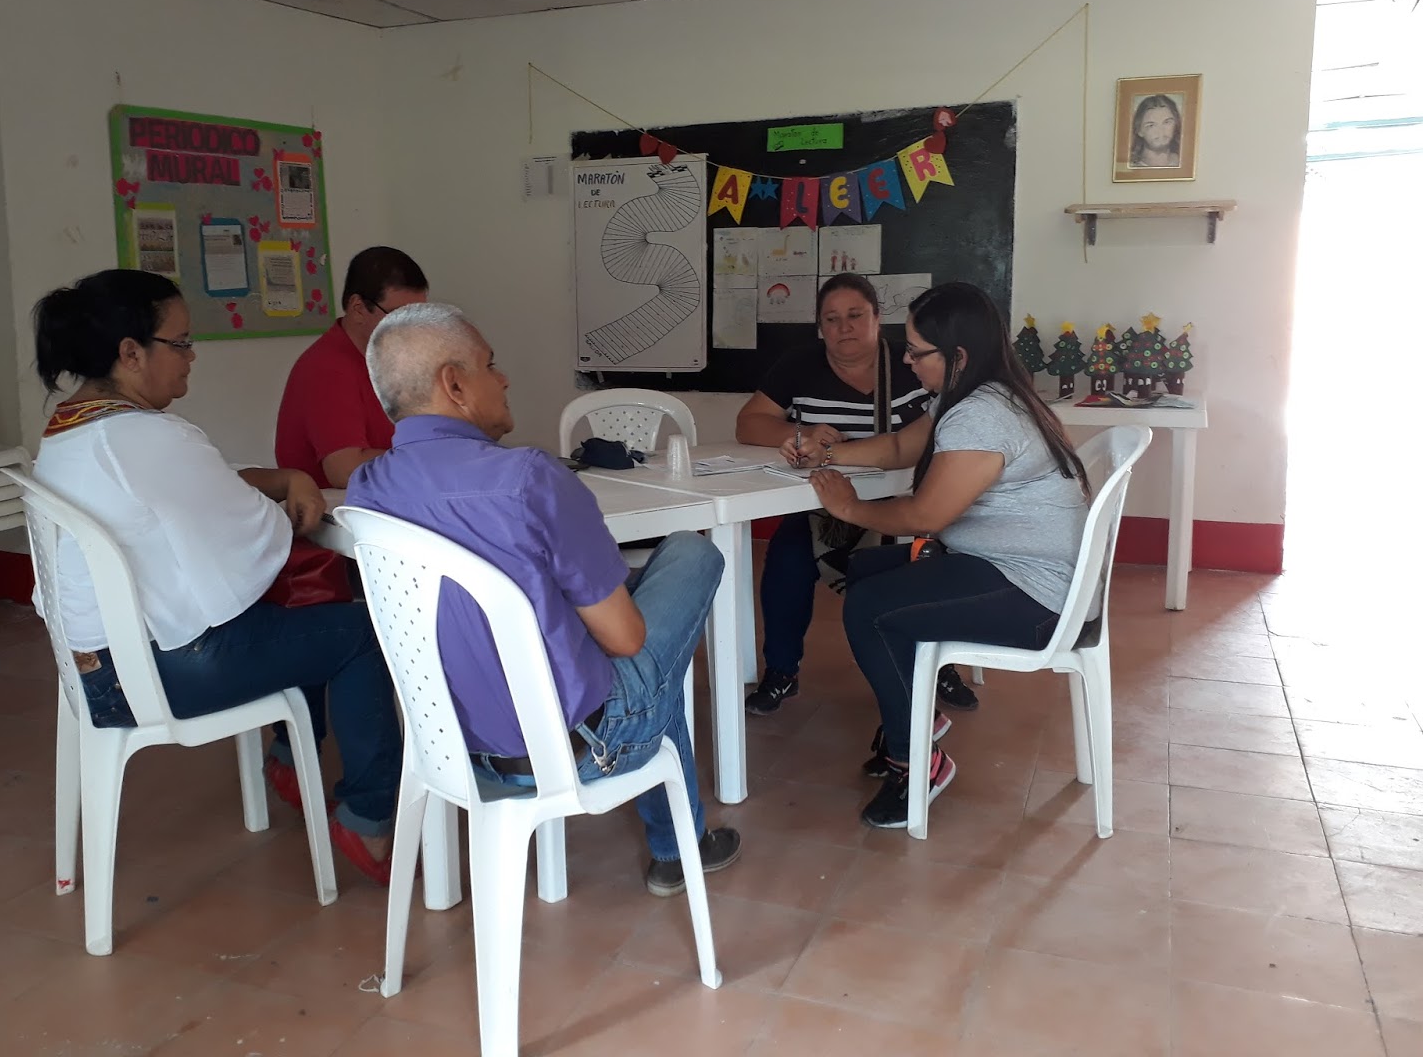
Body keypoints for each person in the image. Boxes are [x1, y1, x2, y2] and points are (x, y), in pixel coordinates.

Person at [347, 303, 742, 897]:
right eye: (490, 365)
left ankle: (680, 846)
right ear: (454, 385)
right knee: (691, 554)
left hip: (448, 750)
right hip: (575, 748)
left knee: (630, 627)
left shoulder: (367, 489)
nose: (504, 378)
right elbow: (626, 640)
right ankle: (676, 846)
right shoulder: (529, 477)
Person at [29, 269, 402, 884]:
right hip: (154, 675)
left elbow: (216, 484)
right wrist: (293, 500)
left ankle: (291, 758)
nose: (191, 357)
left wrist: (287, 478)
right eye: (180, 343)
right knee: (360, 631)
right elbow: (253, 534)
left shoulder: (75, 429)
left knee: (304, 618)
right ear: (131, 353)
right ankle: (369, 817)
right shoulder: (145, 436)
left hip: (92, 671)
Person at [783, 282, 1090, 829]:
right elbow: (902, 446)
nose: (905, 361)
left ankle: (917, 760)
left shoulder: (982, 415)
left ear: (958, 356)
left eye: (916, 351)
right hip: (1010, 567)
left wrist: (849, 508)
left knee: (871, 608)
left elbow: (924, 516)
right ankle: (915, 713)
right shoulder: (976, 395)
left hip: (1037, 596)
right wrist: (827, 452)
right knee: (863, 570)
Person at [734, 274, 959, 717]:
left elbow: (925, 437)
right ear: (820, 326)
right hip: (823, 505)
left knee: (932, 561)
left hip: (908, 504)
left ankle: (940, 665)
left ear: (877, 317)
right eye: (831, 319)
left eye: (855, 315)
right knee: (786, 559)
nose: (844, 327)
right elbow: (748, 423)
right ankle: (782, 669)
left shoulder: (913, 364)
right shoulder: (801, 363)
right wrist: (799, 433)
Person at [275, 246, 429, 490]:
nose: (411, 329)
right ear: (358, 309)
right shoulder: (326, 368)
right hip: (340, 507)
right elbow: (345, 471)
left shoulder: (388, 356)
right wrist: (431, 456)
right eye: (399, 316)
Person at [1129, 93, 1182, 168]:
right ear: (1139, 130)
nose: (1160, 131)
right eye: (1151, 125)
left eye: (1167, 122)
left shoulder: (1184, 162)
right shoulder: (1130, 166)